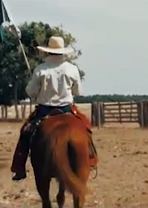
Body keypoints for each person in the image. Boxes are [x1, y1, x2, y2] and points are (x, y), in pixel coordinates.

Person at [10, 36, 95, 181]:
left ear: (47, 51)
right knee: (85, 126)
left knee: (25, 132)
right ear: (63, 52)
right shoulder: (72, 69)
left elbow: (31, 92)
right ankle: (91, 159)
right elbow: (78, 92)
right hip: (67, 109)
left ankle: (20, 168)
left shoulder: (40, 69)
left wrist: (35, 88)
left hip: (45, 111)